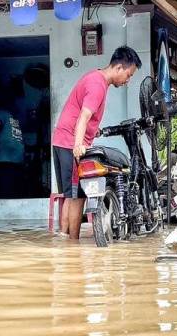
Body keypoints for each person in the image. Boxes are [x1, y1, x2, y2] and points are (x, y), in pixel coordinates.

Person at [52, 46, 142, 240]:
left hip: (61, 140)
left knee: (70, 194)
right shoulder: (98, 84)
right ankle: (73, 246)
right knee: (77, 197)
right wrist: (78, 145)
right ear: (118, 67)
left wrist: (95, 131)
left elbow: (84, 115)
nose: (128, 80)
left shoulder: (94, 78)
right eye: (128, 75)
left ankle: (63, 239)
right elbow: (84, 116)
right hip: (70, 142)